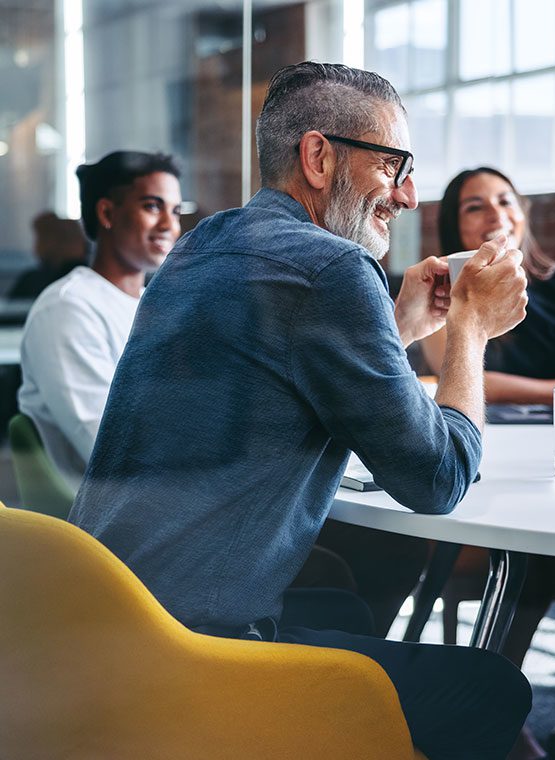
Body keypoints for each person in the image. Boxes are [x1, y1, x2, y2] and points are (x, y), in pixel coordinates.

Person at [70, 63, 531, 758]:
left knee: (343, 597)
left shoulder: (205, 243)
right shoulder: (332, 271)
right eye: (394, 164)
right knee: (495, 689)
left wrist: (396, 324)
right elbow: (439, 479)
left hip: (99, 626)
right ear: (319, 157)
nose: (408, 195)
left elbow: (277, 376)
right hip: (187, 655)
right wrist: (470, 328)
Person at [422, 166, 555, 760]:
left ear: (522, 213)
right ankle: (502, 710)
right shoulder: (446, 286)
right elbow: (461, 375)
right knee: (533, 546)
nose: (494, 212)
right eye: (474, 206)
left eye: (504, 200)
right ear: (452, 224)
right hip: (483, 452)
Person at [18, 151, 182, 490]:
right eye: (152, 207)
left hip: (160, 497)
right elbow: (109, 448)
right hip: (106, 520)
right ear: (107, 212)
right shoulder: (68, 309)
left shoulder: (152, 307)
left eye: (176, 211)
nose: (169, 225)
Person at [8, 212, 89, 300]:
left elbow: (8, 309)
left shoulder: (34, 281)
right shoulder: (90, 277)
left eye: (39, 238)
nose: (35, 245)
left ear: (50, 242)